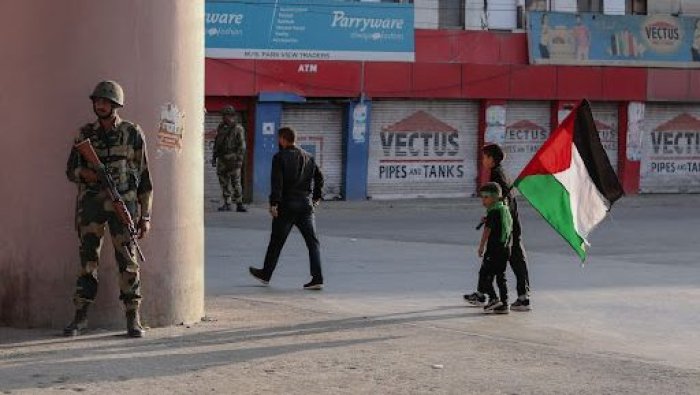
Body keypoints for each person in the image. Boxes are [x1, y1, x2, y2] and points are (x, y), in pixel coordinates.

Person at [64, 80, 152, 337]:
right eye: (98, 101)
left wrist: (145, 215)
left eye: (106, 102)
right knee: (87, 262)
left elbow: (145, 178)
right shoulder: (84, 134)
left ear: (115, 105)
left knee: (128, 261)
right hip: (90, 208)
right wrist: (88, 174)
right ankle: (79, 318)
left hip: (123, 205)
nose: (101, 105)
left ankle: (133, 317)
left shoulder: (132, 133)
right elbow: (70, 171)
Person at [248, 127, 325, 290]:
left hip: (286, 206)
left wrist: (274, 203)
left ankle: (266, 274)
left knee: (276, 242)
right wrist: (316, 197)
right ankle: (317, 277)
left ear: (283, 139)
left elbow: (277, 183)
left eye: (279, 138)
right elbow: (319, 177)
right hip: (305, 206)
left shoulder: (279, 157)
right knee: (313, 243)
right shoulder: (309, 157)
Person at [465, 144, 532, 311]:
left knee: (497, 260)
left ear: (491, 159)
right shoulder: (503, 173)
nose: (482, 160)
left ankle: (500, 297)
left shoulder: (497, 176)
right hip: (510, 222)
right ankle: (491, 294)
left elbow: (503, 201)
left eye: (484, 157)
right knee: (512, 259)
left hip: (506, 225)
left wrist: (496, 218)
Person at [467, 182, 512, 314]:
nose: (483, 200)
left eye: (486, 197)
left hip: (494, 249)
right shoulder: (504, 209)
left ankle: (493, 298)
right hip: (505, 249)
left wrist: (481, 246)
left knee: (484, 274)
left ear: (494, 197)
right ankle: (504, 304)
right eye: (482, 197)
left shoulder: (493, 212)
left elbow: (487, 231)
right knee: (500, 276)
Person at [212, 105, 247, 212]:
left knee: (235, 182)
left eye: (226, 115)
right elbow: (217, 143)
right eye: (223, 115)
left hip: (233, 159)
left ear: (231, 116)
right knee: (223, 182)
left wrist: (239, 160)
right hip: (222, 159)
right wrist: (214, 157)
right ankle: (227, 203)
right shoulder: (221, 127)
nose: (223, 118)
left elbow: (242, 146)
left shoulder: (238, 128)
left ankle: (239, 203)